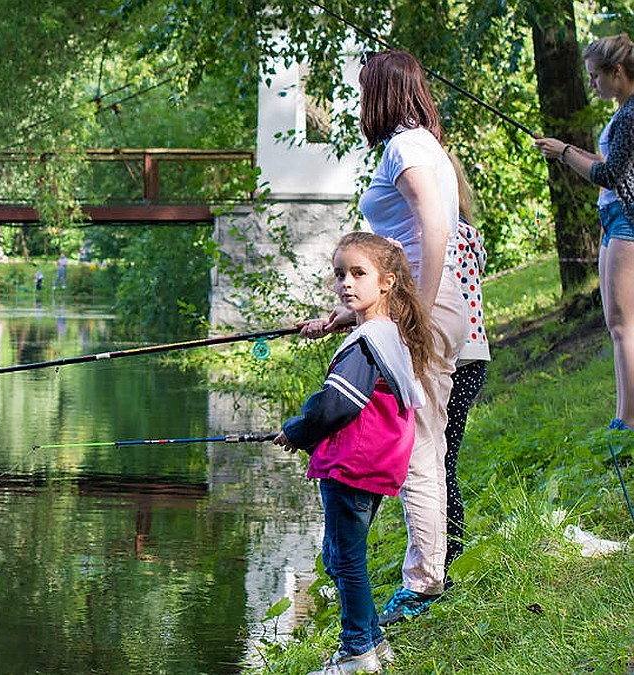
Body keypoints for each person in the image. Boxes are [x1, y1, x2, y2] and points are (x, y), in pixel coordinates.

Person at [300, 49, 469, 625]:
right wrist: (342, 317)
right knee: (426, 445)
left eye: (364, 85)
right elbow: (395, 251)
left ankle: (423, 584)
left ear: (384, 89)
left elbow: (435, 227)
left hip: (424, 306)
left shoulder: (406, 145)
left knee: (420, 449)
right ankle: (423, 573)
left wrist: (416, 307)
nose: (358, 96)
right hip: (416, 305)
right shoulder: (423, 144)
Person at [277, 232, 434, 674]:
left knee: (345, 559)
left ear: (386, 282)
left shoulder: (367, 345)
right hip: (373, 465)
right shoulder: (387, 333)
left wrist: (296, 430)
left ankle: (355, 653)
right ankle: (373, 640)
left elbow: (334, 405)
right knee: (339, 555)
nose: (346, 283)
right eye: (340, 274)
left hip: (352, 464)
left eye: (358, 274)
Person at [534, 34, 634, 432]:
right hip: (612, 220)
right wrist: (569, 151)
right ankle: (623, 414)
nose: (591, 84)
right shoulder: (620, 113)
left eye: (595, 77)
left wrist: (563, 152)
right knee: (615, 324)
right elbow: (606, 165)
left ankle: (627, 421)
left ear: (618, 71)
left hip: (627, 220)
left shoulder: (630, 115)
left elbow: (608, 174)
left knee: (625, 325)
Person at [444, 157, 491, 578]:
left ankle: (451, 553)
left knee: (440, 461)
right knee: (444, 459)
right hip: (473, 359)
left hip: (458, 358)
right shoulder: (471, 235)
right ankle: (448, 551)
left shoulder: (445, 238)